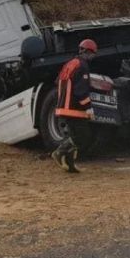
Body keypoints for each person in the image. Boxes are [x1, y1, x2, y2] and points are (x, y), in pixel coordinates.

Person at [51, 39, 98, 173]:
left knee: (73, 135)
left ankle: (70, 165)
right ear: (89, 52)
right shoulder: (82, 66)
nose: (93, 57)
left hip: (63, 107)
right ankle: (59, 152)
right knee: (83, 136)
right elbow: (81, 90)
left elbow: (58, 82)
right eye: (93, 54)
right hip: (74, 109)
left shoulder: (69, 64)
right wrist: (88, 107)